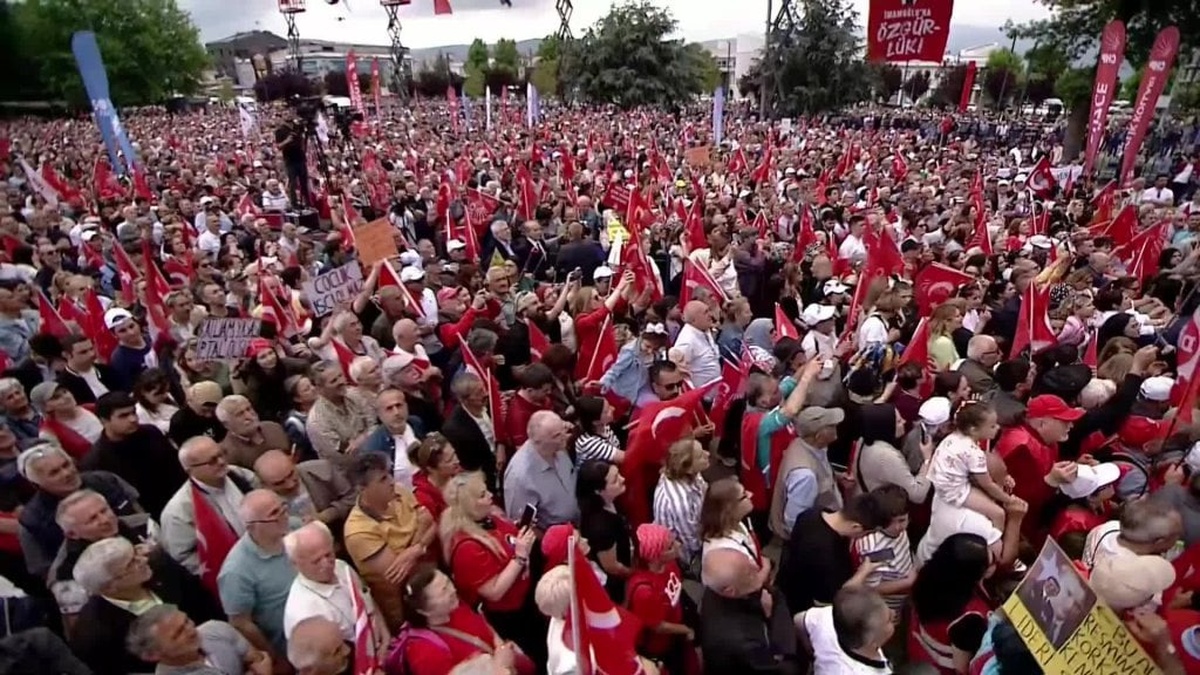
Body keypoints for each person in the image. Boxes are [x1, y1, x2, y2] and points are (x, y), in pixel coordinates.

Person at [70, 536, 223, 675]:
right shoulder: (94, 634)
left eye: (135, 553)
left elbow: (207, 604)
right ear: (109, 587)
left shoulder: (161, 566)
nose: (143, 560)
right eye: (131, 564)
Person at [439, 471, 543, 662]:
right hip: (509, 617)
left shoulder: (489, 519)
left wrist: (519, 530)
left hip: (525, 601)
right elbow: (494, 592)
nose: (490, 496)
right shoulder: (466, 548)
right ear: (470, 506)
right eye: (482, 495)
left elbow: (507, 540)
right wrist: (519, 557)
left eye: (486, 491)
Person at [342, 452, 435, 631]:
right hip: (407, 610)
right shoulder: (358, 531)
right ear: (363, 488)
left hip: (433, 581)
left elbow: (432, 524)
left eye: (390, 473)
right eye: (383, 479)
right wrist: (421, 537)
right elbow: (399, 574)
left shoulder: (399, 491)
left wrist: (415, 549)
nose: (392, 481)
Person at [391, 565, 536, 675]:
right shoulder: (426, 654)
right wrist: (504, 667)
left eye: (448, 583)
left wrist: (501, 647)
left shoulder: (455, 605)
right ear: (423, 610)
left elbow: (484, 625)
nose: (452, 590)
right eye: (443, 591)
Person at [778, 488, 900, 615]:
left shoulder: (812, 513)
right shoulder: (828, 556)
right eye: (867, 533)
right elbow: (839, 597)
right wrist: (863, 572)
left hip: (786, 583)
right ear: (856, 527)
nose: (864, 537)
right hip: (803, 607)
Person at [281, 521, 390, 656]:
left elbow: (367, 599)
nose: (326, 564)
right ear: (295, 564)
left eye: (328, 555)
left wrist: (385, 636)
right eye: (316, 561)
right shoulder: (302, 613)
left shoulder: (341, 567)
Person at [217, 489, 297, 663]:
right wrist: (273, 659)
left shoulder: (295, 528)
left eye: (283, 507)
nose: (284, 516)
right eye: (274, 513)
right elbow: (241, 623)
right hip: (291, 648)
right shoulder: (236, 571)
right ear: (252, 526)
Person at [161, 436, 257, 577]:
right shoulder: (178, 511)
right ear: (190, 470)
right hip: (231, 574)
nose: (222, 462)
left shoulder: (238, 474)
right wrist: (224, 567)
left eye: (221, 454)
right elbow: (182, 558)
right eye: (212, 461)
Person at [84, 391, 187, 518]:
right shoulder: (97, 461)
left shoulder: (151, 433)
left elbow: (177, 467)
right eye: (123, 416)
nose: (133, 419)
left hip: (183, 499)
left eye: (133, 412)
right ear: (104, 421)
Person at [124, 602, 273, 675]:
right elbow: (261, 669)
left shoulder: (215, 629)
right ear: (153, 655)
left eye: (187, 621)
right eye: (178, 633)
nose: (191, 631)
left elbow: (258, 659)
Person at [625, 524, 693, 674]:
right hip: (659, 646)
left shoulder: (669, 564)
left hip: (675, 626)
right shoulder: (644, 591)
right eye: (670, 546)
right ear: (655, 557)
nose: (678, 545)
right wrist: (686, 630)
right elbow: (658, 626)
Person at [503, 411, 578, 529]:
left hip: (576, 528)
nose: (564, 436)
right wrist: (553, 540)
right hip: (553, 541)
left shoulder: (559, 448)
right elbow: (522, 526)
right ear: (538, 441)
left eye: (563, 430)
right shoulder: (519, 476)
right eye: (557, 435)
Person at [252, 449, 356, 533]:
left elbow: (354, 496)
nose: (290, 484)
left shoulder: (322, 469)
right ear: (264, 485)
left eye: (291, 474)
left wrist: (328, 515)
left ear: (293, 462)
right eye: (279, 483)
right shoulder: (260, 505)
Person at [796, 587, 894, 675]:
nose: (893, 613)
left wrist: (811, 649)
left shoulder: (826, 618)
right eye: (889, 620)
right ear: (872, 641)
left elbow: (798, 620)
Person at [577, 459, 634, 602]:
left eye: (618, 474)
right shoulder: (599, 527)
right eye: (615, 480)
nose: (622, 479)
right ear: (598, 491)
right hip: (618, 584)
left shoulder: (612, 501)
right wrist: (633, 574)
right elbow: (612, 566)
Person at [652, 438, 709, 573]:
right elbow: (692, 541)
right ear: (688, 468)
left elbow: (704, 488)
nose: (708, 454)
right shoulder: (679, 502)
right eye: (701, 456)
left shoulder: (691, 473)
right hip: (686, 552)